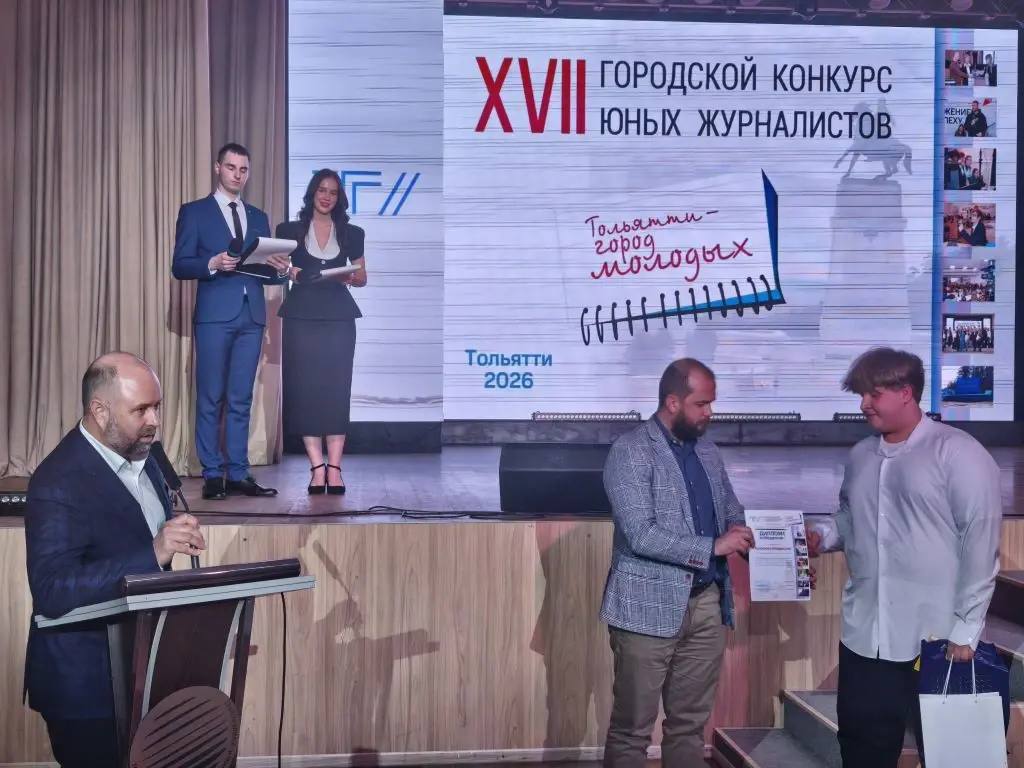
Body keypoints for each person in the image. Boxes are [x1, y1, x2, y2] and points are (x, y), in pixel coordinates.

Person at [808, 348, 1001, 768]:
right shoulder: (860, 456)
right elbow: (850, 519)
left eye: (873, 394)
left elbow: (981, 541)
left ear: (906, 392)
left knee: (954, 757)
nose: (864, 404)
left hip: (939, 641)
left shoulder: (958, 453)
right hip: (865, 640)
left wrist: (967, 630)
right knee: (861, 752)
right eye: (861, 394)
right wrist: (820, 536)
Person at [23, 353, 206, 767]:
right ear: (99, 410)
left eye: (157, 407)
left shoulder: (149, 458)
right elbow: (52, 589)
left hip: (145, 673)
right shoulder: (58, 480)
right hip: (86, 690)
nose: (155, 421)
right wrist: (152, 552)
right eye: (141, 410)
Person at [600, 358, 754, 768]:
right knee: (632, 730)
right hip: (645, 609)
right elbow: (641, 534)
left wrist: (763, 539)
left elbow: (731, 510)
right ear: (672, 402)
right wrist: (713, 546)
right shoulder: (631, 451)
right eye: (701, 404)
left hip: (706, 607)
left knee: (689, 726)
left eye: (711, 403)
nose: (710, 412)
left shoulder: (709, 452)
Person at [172, 142, 291, 500]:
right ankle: (212, 473)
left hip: (251, 315)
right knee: (211, 396)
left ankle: (238, 472)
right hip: (214, 316)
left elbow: (264, 273)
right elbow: (180, 265)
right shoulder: (195, 212)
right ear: (217, 168)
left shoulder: (258, 216)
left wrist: (281, 270)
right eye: (231, 167)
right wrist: (212, 263)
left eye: (243, 169)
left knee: (241, 398)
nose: (237, 175)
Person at [276, 169, 367, 494]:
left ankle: (335, 468)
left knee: (336, 390)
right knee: (306, 390)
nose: (327, 197)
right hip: (301, 316)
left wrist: (350, 276)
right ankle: (316, 467)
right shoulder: (289, 230)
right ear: (312, 193)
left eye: (333, 192)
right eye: (322, 190)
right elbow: (277, 268)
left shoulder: (352, 232)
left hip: (339, 316)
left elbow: (363, 277)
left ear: (339, 197)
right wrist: (291, 271)